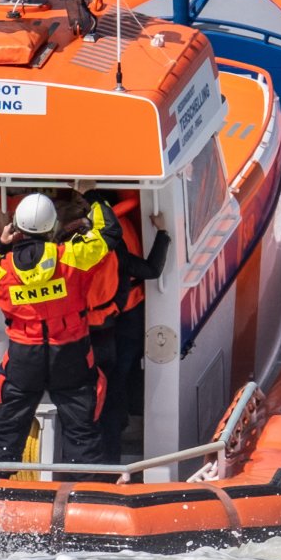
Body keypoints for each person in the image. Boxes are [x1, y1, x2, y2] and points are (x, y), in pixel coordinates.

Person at [0, 191, 114, 472]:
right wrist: (94, 197)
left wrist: (1, 245)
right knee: (81, 428)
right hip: (70, 354)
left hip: (24, 357)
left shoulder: (0, 270)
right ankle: (86, 496)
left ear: (16, 228)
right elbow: (109, 233)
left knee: (9, 427)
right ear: (53, 227)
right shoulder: (73, 257)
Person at [74, 185, 170, 458]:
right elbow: (151, 269)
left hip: (81, 332)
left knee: (86, 394)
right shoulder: (116, 247)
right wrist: (162, 233)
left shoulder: (67, 254)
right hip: (119, 320)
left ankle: (94, 450)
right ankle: (113, 444)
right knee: (116, 382)